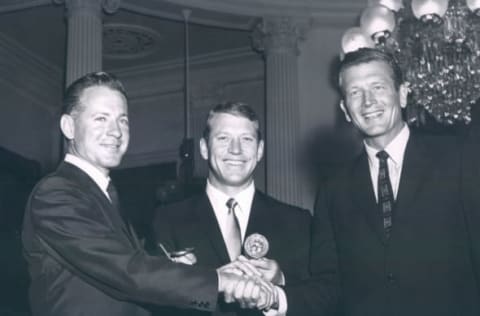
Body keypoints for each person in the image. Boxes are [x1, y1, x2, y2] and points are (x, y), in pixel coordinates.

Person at [22, 72, 276, 316]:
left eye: (123, 120)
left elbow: (132, 271)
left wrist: (192, 270)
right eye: (101, 118)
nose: (116, 131)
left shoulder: (105, 195)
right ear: (68, 126)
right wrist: (220, 280)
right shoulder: (56, 193)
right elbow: (125, 270)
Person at [314, 47, 480, 315]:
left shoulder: (460, 157)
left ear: (402, 94)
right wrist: (276, 292)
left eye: (378, 87)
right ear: (345, 109)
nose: (368, 102)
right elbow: (327, 283)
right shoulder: (333, 189)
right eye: (355, 92)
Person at [153, 102, 338, 316]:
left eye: (246, 139)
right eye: (223, 138)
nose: (236, 150)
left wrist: (280, 283)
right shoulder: (168, 220)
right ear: (204, 148)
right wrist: (204, 285)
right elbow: (155, 306)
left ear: (259, 150)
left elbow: (326, 301)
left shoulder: (298, 221)